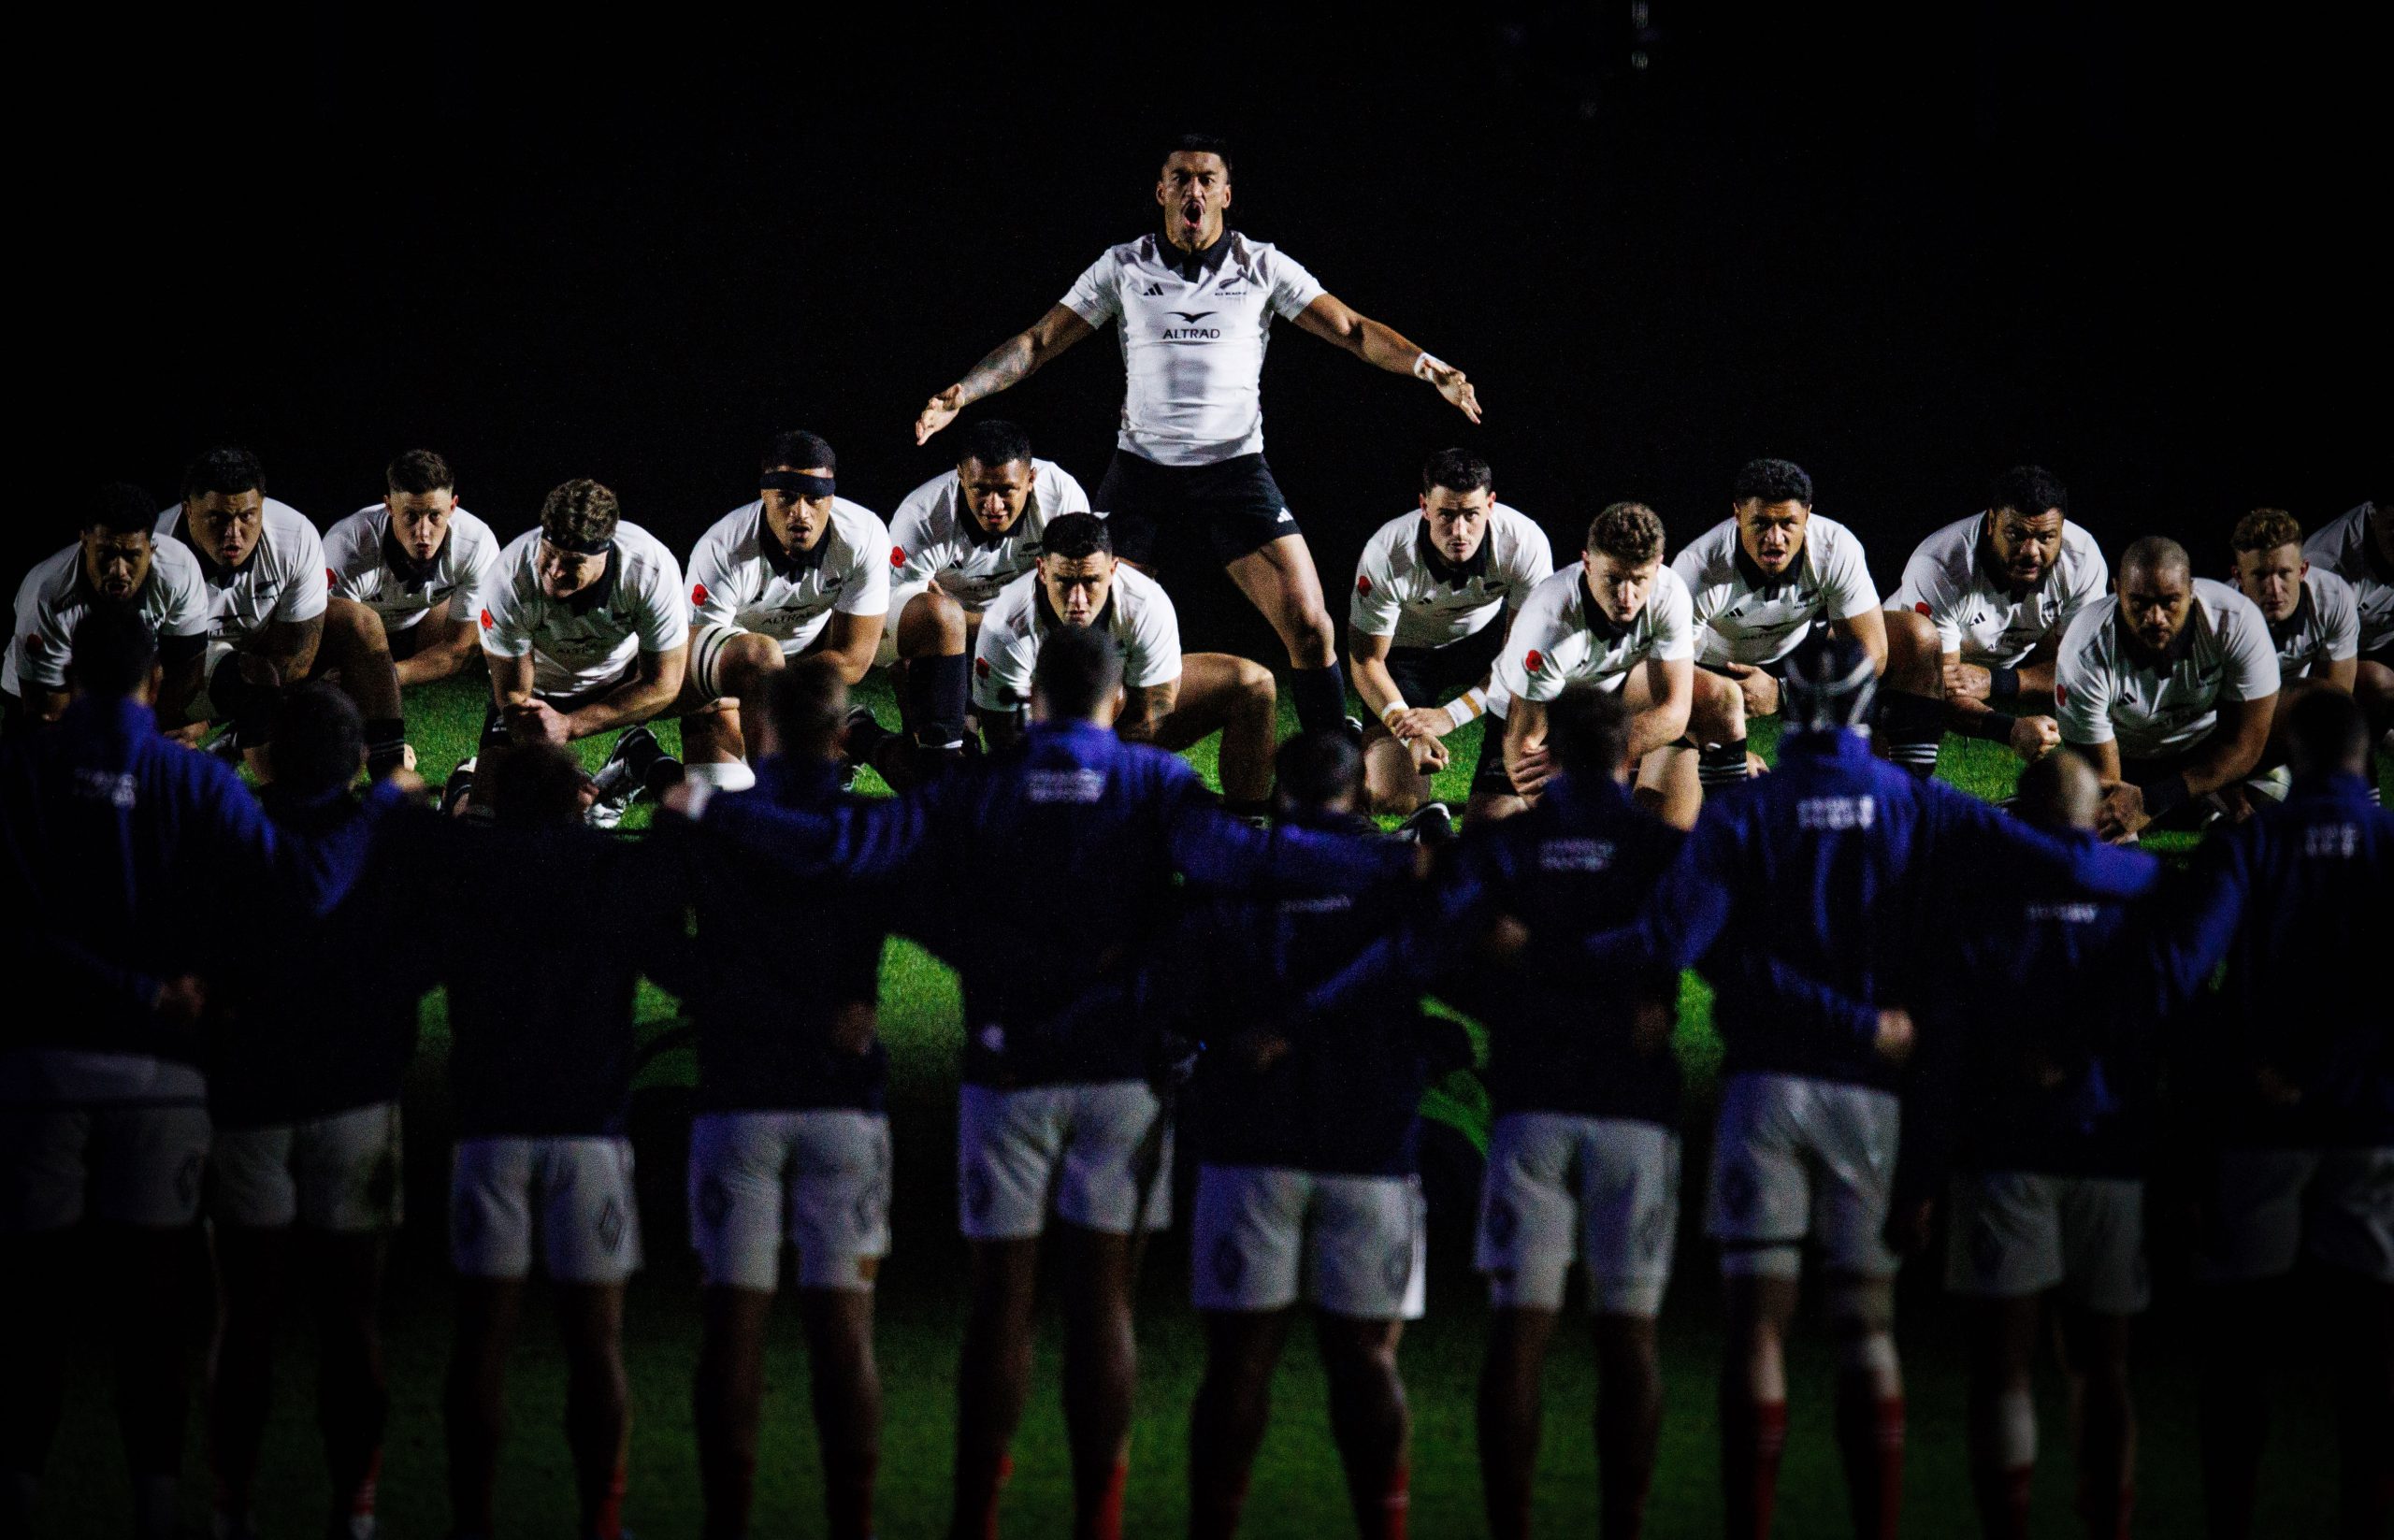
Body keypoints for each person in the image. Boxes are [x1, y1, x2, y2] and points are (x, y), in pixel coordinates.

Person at [683, 626, 1417, 1540]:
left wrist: (717, 809)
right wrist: (1392, 860)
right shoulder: (1156, 783)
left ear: (1029, 702)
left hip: (1009, 1067)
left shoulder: (982, 785)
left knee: (1003, 1301)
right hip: (1121, 1074)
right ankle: (1097, 1519)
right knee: (1104, 1302)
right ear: (1117, 702)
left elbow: (851, 854)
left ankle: (976, 1518)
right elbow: (1254, 862)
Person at [1581, 631, 2160, 1540]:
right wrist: (2158, 875)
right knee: (1864, 1332)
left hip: (1764, 1090)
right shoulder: (1917, 803)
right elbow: (2053, 857)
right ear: (1863, 706)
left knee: (1757, 1336)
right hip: (1871, 1094)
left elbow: (1667, 943)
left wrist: (1546, 953)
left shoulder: (1748, 811)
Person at [0, 610, 402, 1540]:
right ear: (156, 682)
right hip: (164, 1079)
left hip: (38, 1074)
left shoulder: (22, 770)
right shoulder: (192, 779)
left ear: (67, 682)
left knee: (33, 1302)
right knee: (156, 1306)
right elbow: (301, 888)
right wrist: (381, 806)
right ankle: (162, 1506)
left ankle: (21, 1494)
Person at [911, 134, 1483, 739]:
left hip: (1235, 469)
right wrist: (962, 391)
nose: (1194, 189)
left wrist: (1431, 367)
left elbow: (1352, 329)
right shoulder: (1123, 266)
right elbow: (1038, 342)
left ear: (1226, 195)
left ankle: (1331, 792)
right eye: (1181, 178)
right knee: (1090, 637)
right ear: (1161, 191)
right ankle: (1082, 769)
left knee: (1311, 627)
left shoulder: (1262, 265)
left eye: (1207, 179)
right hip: (1142, 472)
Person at [1311, 684, 1690, 1539]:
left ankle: (1511, 1524)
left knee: (1520, 1335)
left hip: (1534, 1105)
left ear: (1546, 754)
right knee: (1631, 1337)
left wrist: (1518, 988)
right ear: (1629, 756)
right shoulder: (1660, 849)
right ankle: (1623, 1522)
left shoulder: (1507, 850)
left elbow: (1426, 954)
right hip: (1634, 1109)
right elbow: (1697, 937)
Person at [1886, 751, 2168, 1540]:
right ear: (2099, 811)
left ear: (2019, 806)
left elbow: (1946, 1046)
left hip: (2003, 1151)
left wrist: (1919, 1181)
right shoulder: (2143, 887)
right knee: (2104, 1367)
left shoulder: (1983, 895)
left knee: (2003, 1371)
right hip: (2108, 1144)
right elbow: (2165, 1003)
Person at [1172, 732, 1435, 1540]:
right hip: (1372, 1153)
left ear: (1277, 793)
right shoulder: (1403, 878)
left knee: (1239, 1365)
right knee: (1370, 1363)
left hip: (1252, 1150)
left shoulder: (1230, 875)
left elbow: (1182, 1007)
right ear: (1359, 797)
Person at [656, 658, 895, 1540]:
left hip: (739, 1095)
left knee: (733, 1329)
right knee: (846, 1334)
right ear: (842, 737)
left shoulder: (710, 823)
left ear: (757, 731)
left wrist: (721, 995)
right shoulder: (871, 820)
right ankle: (854, 1526)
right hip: (844, 1101)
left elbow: (646, 933)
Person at [2156, 689, 2392, 1540]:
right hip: (2369, 1123)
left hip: (2260, 1124)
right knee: (2369, 1353)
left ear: (2287, 753)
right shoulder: (2388, 844)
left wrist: (2244, 1072)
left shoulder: (2252, 842)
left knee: (2239, 1347)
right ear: (2367, 758)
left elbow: (2181, 976)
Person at [435, 739, 682, 1540]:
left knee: (481, 1341)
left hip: (491, 1130)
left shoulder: (468, 871)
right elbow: (680, 955)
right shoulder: (610, 870)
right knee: (597, 1344)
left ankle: (473, 1523)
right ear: (580, 794)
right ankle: (602, 1522)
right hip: (589, 1131)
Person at [206, 685, 435, 1540]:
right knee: (353, 1317)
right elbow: (423, 947)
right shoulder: (387, 833)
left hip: (251, 1097)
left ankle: (233, 1508)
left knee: (245, 1315)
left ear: (270, 753)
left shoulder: (230, 827)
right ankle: (358, 1509)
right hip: (357, 1095)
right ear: (350, 760)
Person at [972, 512, 1277, 813]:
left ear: (1113, 569)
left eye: (1091, 581)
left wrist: (1123, 772)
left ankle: (1244, 820)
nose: (1078, 600)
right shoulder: (1005, 622)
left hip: (1122, 714)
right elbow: (1006, 741)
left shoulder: (1146, 604)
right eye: (1064, 581)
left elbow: (1156, 712)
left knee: (1253, 684)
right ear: (1042, 570)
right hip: (1046, 732)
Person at [158, 447, 410, 778]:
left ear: (261, 507)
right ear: (189, 511)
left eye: (246, 516)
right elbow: (144, 666)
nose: (233, 533)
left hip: (260, 648)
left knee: (360, 622)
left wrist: (218, 716)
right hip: (180, 666)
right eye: (217, 518)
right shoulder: (155, 551)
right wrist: (180, 718)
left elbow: (297, 659)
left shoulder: (295, 536)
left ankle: (392, 779)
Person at [873, 419, 1091, 781]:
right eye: (980, 489)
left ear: (1031, 480)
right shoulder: (922, 516)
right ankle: (867, 734)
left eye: (1007, 490)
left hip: (1019, 627)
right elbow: (896, 618)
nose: (994, 505)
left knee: (1029, 763)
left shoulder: (1062, 496)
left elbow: (1076, 591)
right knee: (943, 773)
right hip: (944, 633)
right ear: (960, 476)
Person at [463, 478, 689, 822]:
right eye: (548, 554)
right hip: (538, 694)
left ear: (604, 554)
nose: (553, 571)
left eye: (571, 562)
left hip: (625, 680)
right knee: (485, 817)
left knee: (736, 664)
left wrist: (570, 726)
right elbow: (513, 696)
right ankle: (462, 785)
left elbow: (663, 683)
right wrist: (556, 772)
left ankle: (682, 771)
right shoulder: (508, 579)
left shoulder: (650, 569)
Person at [679, 430, 890, 797]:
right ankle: (640, 758)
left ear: (831, 498)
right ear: (764, 494)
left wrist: (789, 704)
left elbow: (853, 659)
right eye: (787, 498)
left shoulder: (864, 534)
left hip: (803, 674)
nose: (801, 513)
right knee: (727, 800)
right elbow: (699, 675)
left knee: (784, 790)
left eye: (814, 499)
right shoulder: (721, 551)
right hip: (731, 679)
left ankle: (846, 736)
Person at [1347, 449, 1553, 821]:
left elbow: (1520, 666)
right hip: (1406, 653)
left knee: (1498, 817)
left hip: (1486, 648)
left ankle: (1501, 774)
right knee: (1394, 799)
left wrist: (1451, 715)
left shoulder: (1525, 544)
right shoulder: (1386, 552)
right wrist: (1409, 732)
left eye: (1471, 514)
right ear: (1424, 506)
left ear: (1490, 505)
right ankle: (1357, 741)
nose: (1459, 531)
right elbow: (1366, 660)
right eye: (1446, 514)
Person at [1666, 458, 1888, 798]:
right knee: (1673, 815)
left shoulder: (1835, 547)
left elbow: (1874, 653)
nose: (1775, 539)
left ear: (1808, 516)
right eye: (1761, 523)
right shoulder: (1697, 568)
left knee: (1910, 639)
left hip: (1797, 653)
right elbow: (1669, 687)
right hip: (1712, 668)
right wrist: (1731, 749)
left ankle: (1891, 796)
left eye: (1788, 523)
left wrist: (1785, 693)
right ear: (1737, 514)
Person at [1472, 501, 1695, 826]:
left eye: (1638, 579)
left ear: (1658, 567)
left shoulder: (1671, 595)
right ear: (1587, 563)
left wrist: (1593, 756)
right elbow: (1524, 748)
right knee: (1489, 836)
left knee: (1715, 694)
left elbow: (1675, 712)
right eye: (1614, 579)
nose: (1626, 596)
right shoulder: (1548, 625)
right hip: (1533, 711)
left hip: (1608, 699)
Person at [2054, 536, 2279, 840]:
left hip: (2205, 749)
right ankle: (2201, 807)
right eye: (2140, 603)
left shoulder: (2236, 621)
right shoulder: (2085, 647)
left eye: (2170, 601)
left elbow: (2246, 744)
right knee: (2095, 820)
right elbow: (2105, 779)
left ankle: (2220, 798)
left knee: (2310, 700)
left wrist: (2157, 799)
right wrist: (2125, 810)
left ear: (2191, 590)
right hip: (2128, 759)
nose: (2156, 618)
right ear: (2118, 590)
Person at [1885, 465, 2106, 766]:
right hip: (1908, 662)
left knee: (2091, 658)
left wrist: (2002, 681)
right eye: (2016, 534)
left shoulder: (2082, 559)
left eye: (2046, 537)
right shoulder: (1940, 565)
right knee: (1891, 757)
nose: (2031, 551)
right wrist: (2011, 729)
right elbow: (1940, 689)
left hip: (1997, 664)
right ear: (1991, 522)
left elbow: (2084, 673)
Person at [5, 482, 211, 729]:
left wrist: (150, 734)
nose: (118, 570)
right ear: (85, 542)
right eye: (106, 554)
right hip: (49, 691)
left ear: (151, 549)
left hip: (132, 681)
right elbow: (49, 714)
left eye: (131, 556)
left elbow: (187, 670)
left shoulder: (179, 570)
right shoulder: (46, 594)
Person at [322, 448, 502, 690]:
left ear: (452, 507)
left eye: (434, 516)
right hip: (360, 629)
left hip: (422, 621)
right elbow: (334, 635)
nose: (423, 533)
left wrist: (391, 675)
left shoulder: (477, 544)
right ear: (389, 506)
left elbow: (460, 649)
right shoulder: (348, 547)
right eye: (411, 516)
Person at [2228, 508, 2361, 799]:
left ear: (2302, 571)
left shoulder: (2334, 598)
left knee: (2351, 692)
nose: (2274, 589)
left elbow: (2339, 701)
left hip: (2295, 701)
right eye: (2260, 575)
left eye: (2284, 573)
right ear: (2238, 576)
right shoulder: (2222, 617)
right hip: (2238, 710)